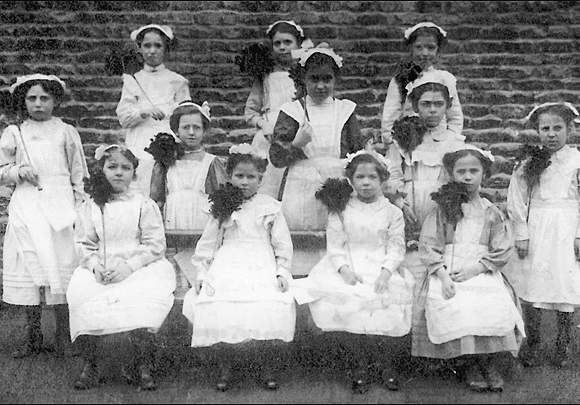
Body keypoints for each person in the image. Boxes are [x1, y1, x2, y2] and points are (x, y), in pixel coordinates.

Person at [294, 151, 414, 393]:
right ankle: (358, 365)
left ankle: (383, 364)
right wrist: (344, 269)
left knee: (385, 303)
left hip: (380, 265)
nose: (366, 183)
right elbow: (335, 243)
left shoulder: (393, 212)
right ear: (351, 179)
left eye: (372, 177)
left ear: (383, 180)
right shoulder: (341, 208)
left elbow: (396, 246)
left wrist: (386, 272)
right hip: (348, 263)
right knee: (350, 302)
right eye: (360, 177)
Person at [183, 144, 296, 392]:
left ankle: (265, 364)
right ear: (230, 176)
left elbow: (282, 244)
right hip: (229, 261)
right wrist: (202, 273)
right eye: (239, 176)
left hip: (260, 261)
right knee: (222, 300)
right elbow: (209, 244)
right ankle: (226, 363)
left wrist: (282, 272)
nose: (244, 182)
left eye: (251, 177)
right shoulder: (222, 204)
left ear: (260, 178)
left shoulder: (270, 206)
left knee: (266, 302)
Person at [412, 145, 524, 393]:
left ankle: (489, 362)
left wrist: (476, 269)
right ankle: (469, 363)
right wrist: (443, 276)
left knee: (492, 301)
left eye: (474, 170)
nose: (467, 177)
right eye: (461, 171)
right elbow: (430, 246)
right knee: (456, 303)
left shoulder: (491, 212)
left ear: (484, 173)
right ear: (452, 174)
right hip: (447, 271)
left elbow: (502, 249)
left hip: (481, 269)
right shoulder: (443, 210)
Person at [0, 73, 88, 358]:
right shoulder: (15, 132)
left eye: (44, 98)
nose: (38, 104)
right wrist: (17, 171)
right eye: (32, 98)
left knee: (62, 264)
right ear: (23, 101)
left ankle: (63, 334)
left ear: (55, 101)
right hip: (28, 203)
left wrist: (81, 207)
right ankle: (32, 334)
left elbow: (78, 172)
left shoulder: (66, 132)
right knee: (28, 262)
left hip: (59, 202)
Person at [506, 102, 580, 368]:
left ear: (569, 129)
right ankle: (533, 340)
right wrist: (521, 233)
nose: (551, 134)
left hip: (567, 228)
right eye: (545, 128)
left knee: (565, 285)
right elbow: (517, 198)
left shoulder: (579, 162)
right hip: (537, 226)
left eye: (557, 128)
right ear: (537, 131)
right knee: (533, 283)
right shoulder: (529, 161)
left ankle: (563, 342)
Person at [68, 145, 176, 391]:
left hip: (138, 265)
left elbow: (155, 244)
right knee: (81, 292)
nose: (119, 173)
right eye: (112, 167)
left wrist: (130, 267)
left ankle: (141, 363)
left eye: (126, 168)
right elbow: (83, 243)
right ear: (101, 170)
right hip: (102, 267)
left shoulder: (143, 204)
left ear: (134, 174)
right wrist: (94, 266)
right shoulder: (91, 205)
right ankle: (91, 363)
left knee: (143, 295)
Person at [269, 44, 370, 231]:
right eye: (314, 79)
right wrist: (296, 144)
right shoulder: (292, 111)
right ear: (303, 80)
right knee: (303, 228)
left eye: (327, 79)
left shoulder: (344, 110)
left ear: (335, 80)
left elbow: (356, 150)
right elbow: (276, 157)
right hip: (301, 181)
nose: (321, 86)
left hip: (338, 181)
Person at [386, 75, 466, 241]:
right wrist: (400, 204)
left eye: (438, 104)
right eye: (426, 104)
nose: (432, 110)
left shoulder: (454, 142)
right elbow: (391, 175)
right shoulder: (403, 139)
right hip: (407, 210)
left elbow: (461, 180)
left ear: (447, 106)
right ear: (415, 106)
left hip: (442, 209)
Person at [116, 24, 191, 197]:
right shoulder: (133, 80)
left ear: (165, 49)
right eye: (147, 46)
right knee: (139, 188)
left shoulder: (177, 81)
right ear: (140, 49)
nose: (152, 51)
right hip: (139, 141)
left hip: (168, 142)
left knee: (167, 189)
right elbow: (124, 117)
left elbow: (187, 118)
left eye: (158, 46)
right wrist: (144, 112)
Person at [380, 22, 463, 151]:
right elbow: (390, 115)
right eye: (419, 47)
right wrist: (393, 145)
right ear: (411, 48)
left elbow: (455, 116)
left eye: (431, 48)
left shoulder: (446, 79)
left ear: (438, 49)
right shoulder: (402, 79)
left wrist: (451, 140)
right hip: (410, 145)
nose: (424, 53)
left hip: (441, 144)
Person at [148, 100, 227, 231]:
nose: (191, 132)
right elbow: (156, 199)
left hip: (202, 221)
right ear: (176, 130)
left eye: (196, 127)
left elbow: (222, 199)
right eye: (186, 127)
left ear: (204, 130)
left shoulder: (211, 162)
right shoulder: (166, 161)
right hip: (173, 219)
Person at [243, 20, 313, 155]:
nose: (282, 47)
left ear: (298, 44)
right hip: (269, 134)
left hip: (298, 134)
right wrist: (264, 125)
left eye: (288, 42)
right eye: (277, 43)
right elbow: (250, 112)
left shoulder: (306, 74)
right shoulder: (265, 76)